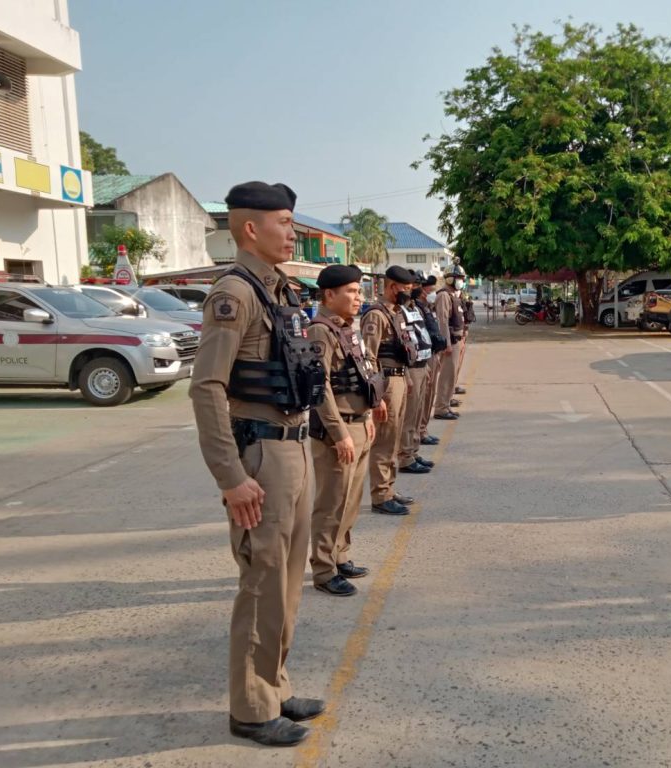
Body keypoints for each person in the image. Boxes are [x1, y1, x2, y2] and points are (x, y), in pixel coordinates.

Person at [190, 181, 326, 747]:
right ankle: (250, 708)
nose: (293, 233)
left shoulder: (280, 290)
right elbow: (206, 388)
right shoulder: (234, 293)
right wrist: (232, 477)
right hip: (261, 456)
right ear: (251, 228)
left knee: (288, 583)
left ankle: (274, 686)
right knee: (261, 581)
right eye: (285, 222)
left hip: (295, 446)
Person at [307, 264, 386, 597]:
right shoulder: (320, 331)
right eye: (352, 292)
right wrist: (339, 434)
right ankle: (324, 569)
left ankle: (340, 555)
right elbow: (320, 386)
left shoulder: (346, 329)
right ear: (330, 294)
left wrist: (371, 408)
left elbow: (363, 370)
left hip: (359, 423)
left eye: (359, 291)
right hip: (337, 430)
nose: (359, 298)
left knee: (350, 500)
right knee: (331, 503)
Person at [362, 265, 420, 515]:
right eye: (405, 288)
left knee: (394, 438)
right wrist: (377, 396)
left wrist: (406, 377)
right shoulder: (376, 315)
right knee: (384, 440)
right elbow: (368, 356)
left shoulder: (395, 312)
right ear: (392, 287)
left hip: (398, 377)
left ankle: (388, 488)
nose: (408, 293)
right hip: (385, 382)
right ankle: (380, 495)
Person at [398, 271, 437, 473]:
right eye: (413, 285)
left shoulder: (414, 307)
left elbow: (420, 335)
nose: (417, 289)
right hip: (410, 367)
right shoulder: (398, 310)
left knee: (417, 412)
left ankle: (413, 451)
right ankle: (405, 456)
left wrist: (426, 365)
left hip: (422, 363)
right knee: (410, 414)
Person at [433, 264, 467, 420]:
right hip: (450, 342)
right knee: (446, 376)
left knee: (452, 375)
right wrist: (446, 342)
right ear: (450, 279)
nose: (461, 281)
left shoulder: (454, 295)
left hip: (456, 341)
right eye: (458, 278)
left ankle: (446, 404)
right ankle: (441, 408)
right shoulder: (444, 296)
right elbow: (443, 321)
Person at [418, 274, 445, 446]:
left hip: (432, 353)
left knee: (429, 396)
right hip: (424, 357)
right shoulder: (417, 308)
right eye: (431, 289)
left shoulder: (426, 307)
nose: (433, 292)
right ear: (423, 290)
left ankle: (423, 429)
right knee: (424, 396)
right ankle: (420, 432)